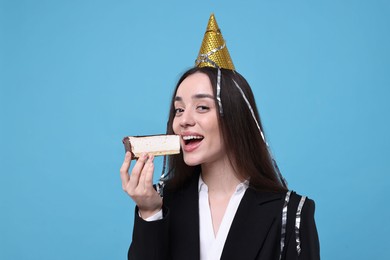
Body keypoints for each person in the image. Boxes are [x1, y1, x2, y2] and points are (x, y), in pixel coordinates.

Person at [120, 14, 320, 260]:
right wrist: (149, 212)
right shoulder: (160, 204)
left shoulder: (291, 213)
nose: (184, 120)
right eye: (179, 109)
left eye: (202, 107)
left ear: (235, 117)